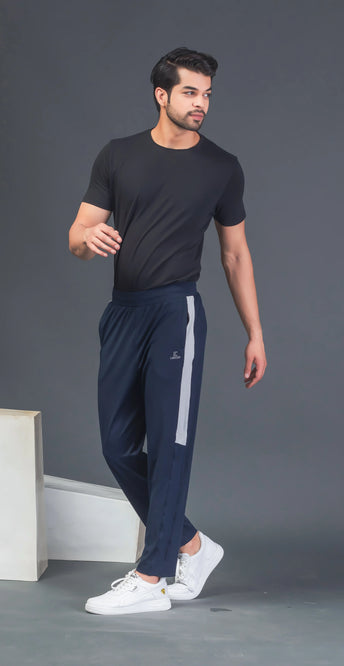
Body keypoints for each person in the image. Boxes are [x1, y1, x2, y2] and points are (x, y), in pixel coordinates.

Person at [68, 46, 267, 615]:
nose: (201, 103)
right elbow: (78, 234)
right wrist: (88, 241)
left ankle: (153, 576)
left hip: (176, 313)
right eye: (189, 92)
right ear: (162, 95)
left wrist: (255, 333)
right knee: (116, 446)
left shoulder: (222, 167)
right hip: (123, 312)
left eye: (206, 94)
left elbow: (235, 255)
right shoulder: (118, 155)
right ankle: (193, 547)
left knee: (170, 445)